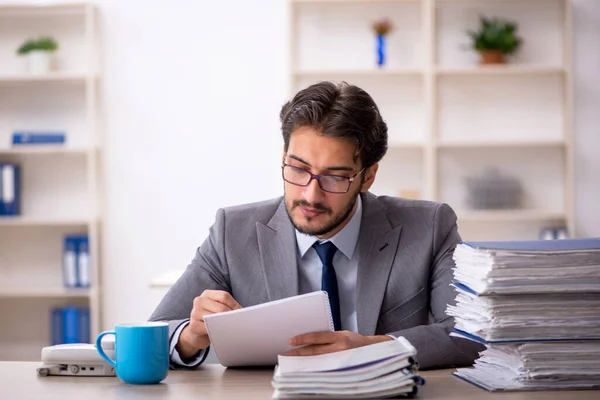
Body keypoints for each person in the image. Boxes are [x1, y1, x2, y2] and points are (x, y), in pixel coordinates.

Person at [149, 81, 483, 370]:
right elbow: (153, 333)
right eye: (297, 169)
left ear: (368, 176)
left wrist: (377, 348)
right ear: (283, 157)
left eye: (335, 177)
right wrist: (189, 338)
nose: (310, 194)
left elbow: (471, 333)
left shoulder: (429, 227)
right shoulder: (232, 231)